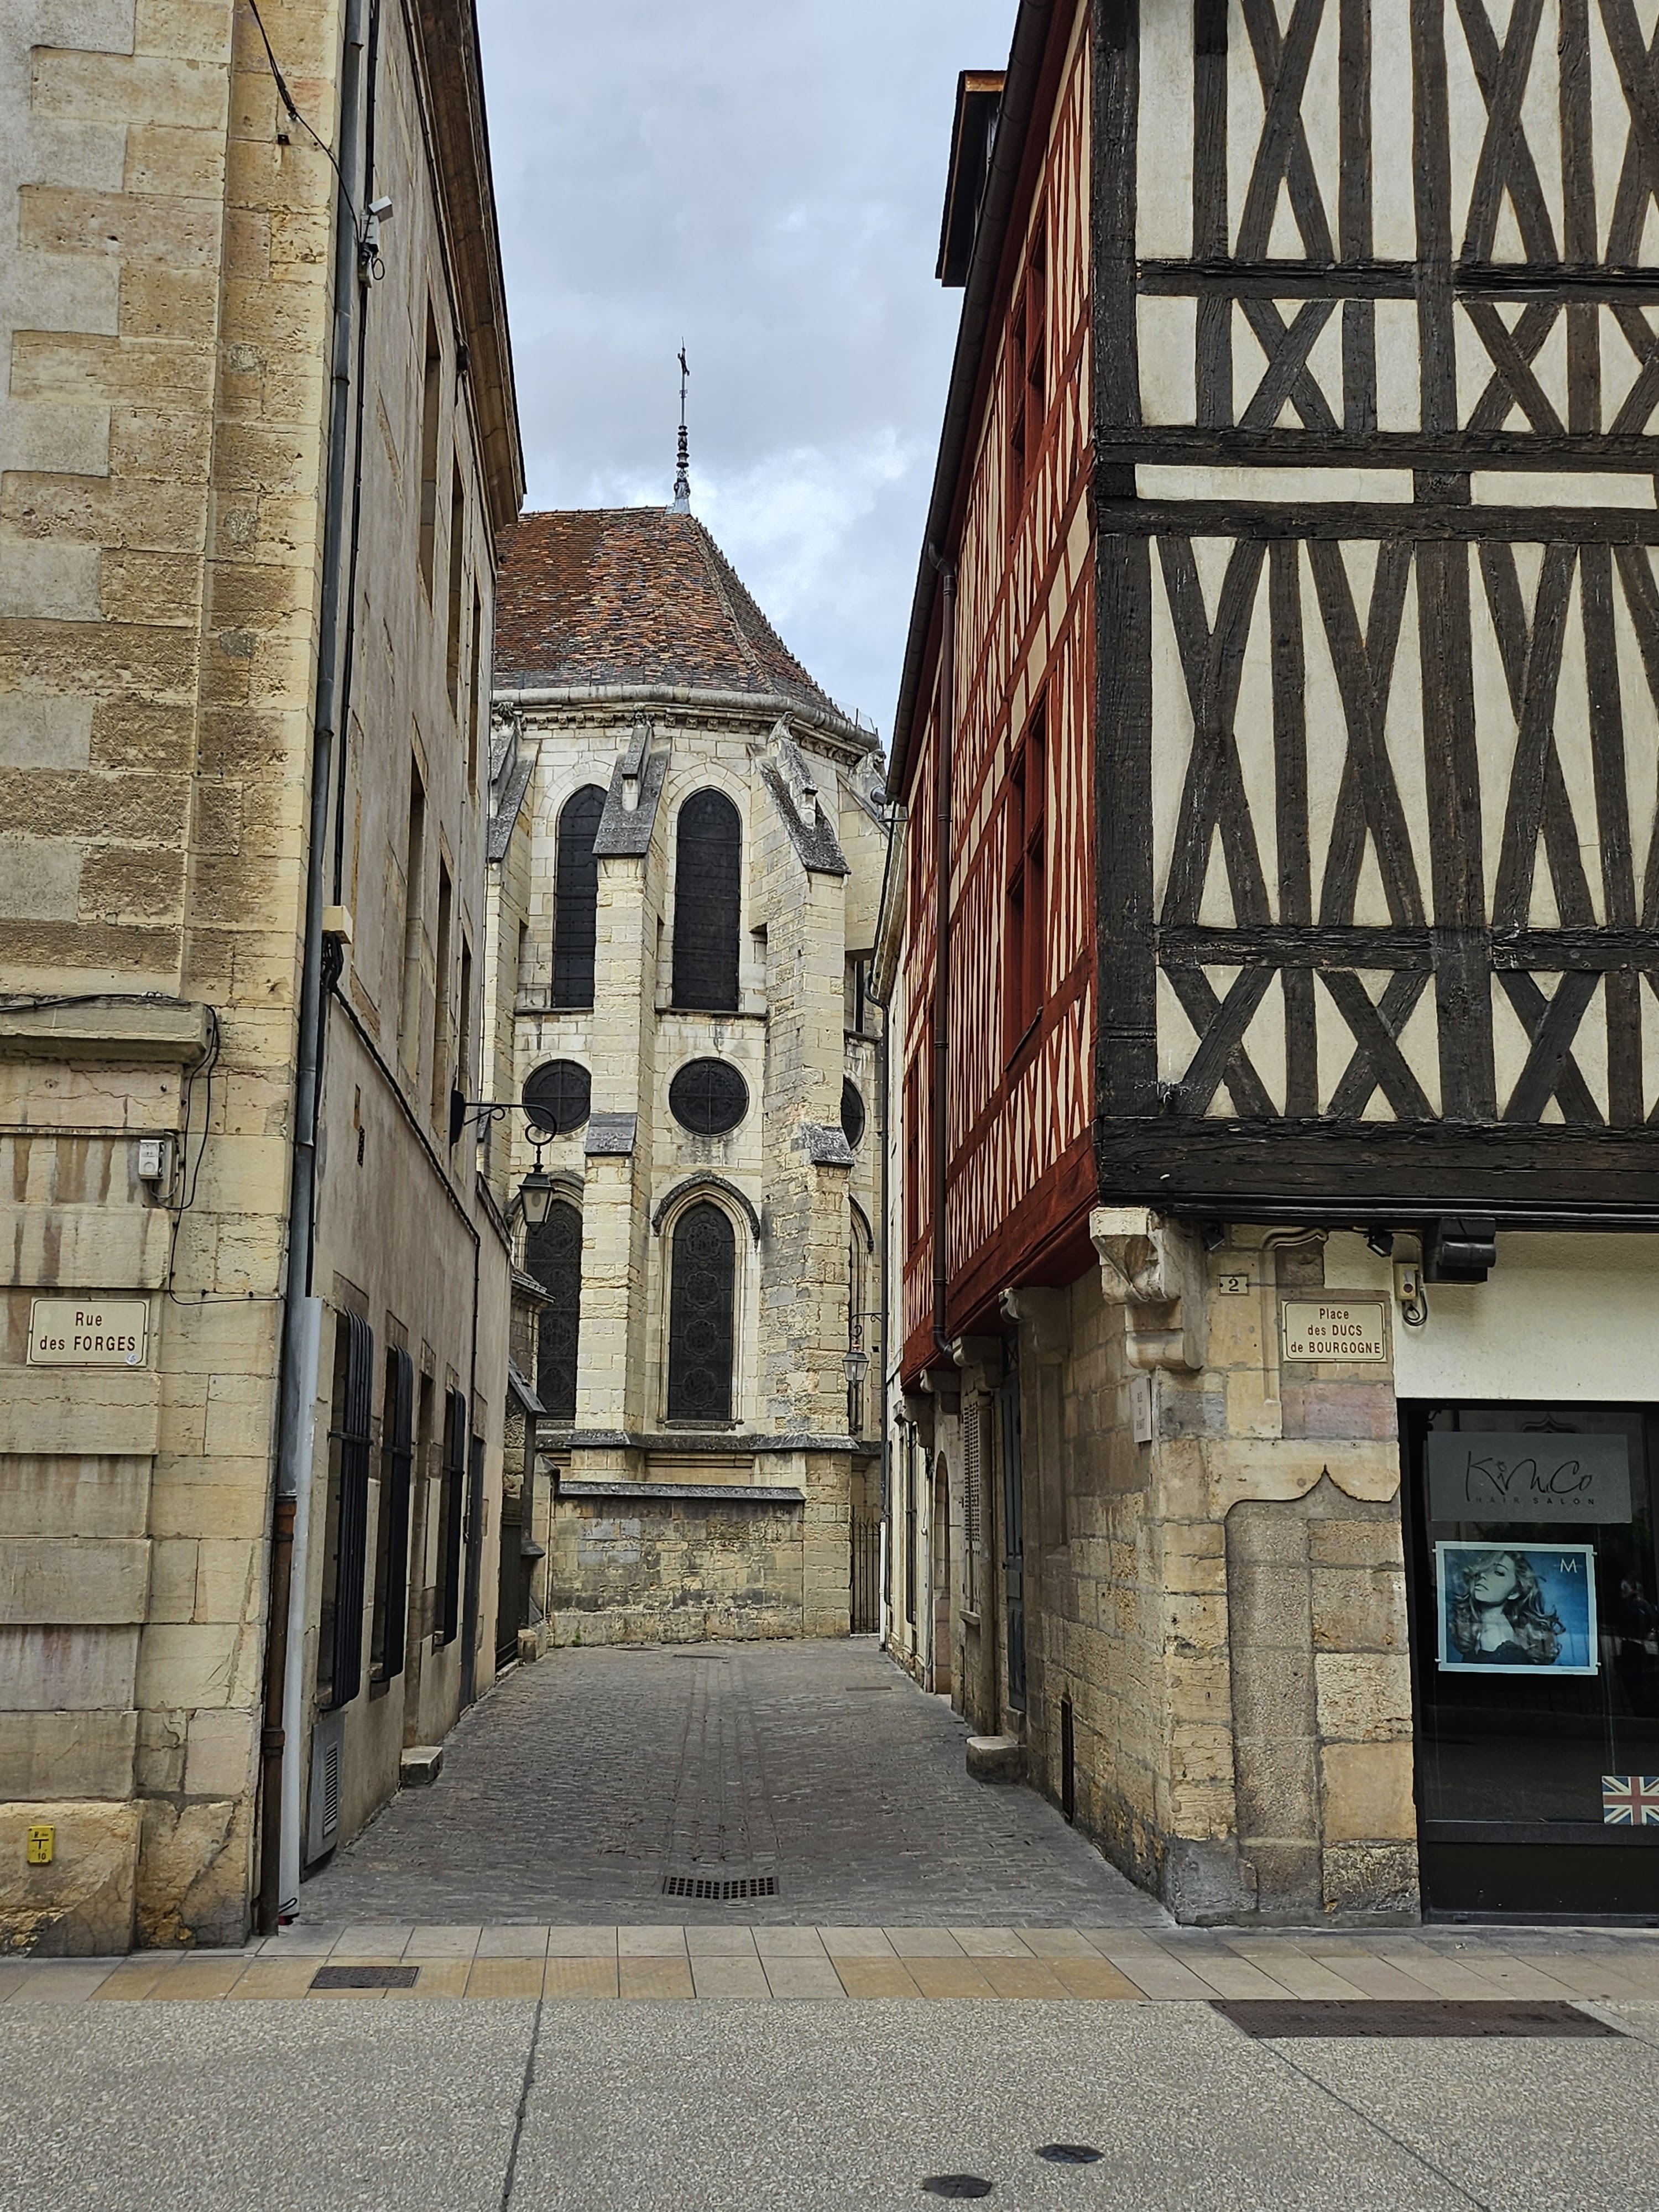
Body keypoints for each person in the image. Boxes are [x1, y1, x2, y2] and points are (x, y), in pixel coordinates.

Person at [1447, 1549, 1564, 1666]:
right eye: (1484, 1569)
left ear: (1515, 1592)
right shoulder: (1484, 1631)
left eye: (1499, 1573)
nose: (1483, 1575)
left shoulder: (1495, 1639)